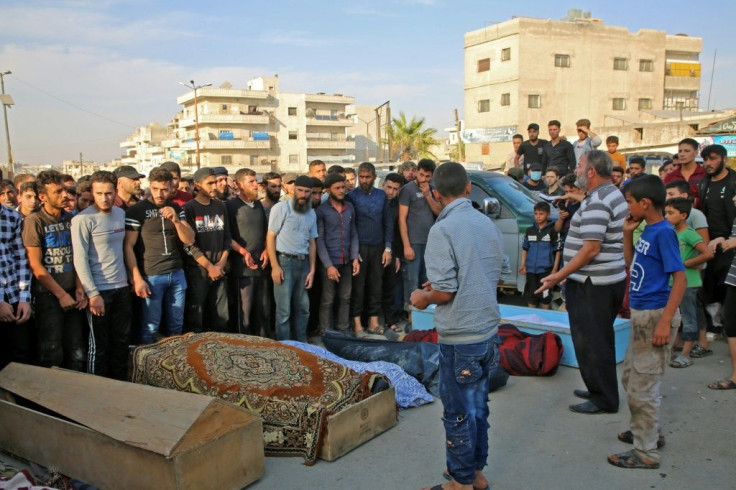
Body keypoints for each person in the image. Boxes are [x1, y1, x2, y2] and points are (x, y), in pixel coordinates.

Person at [410, 162, 503, 490]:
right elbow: (497, 269)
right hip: (488, 333)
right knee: (478, 408)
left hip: (461, 337)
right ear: (468, 189)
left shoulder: (442, 230)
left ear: (435, 193)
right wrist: (440, 281)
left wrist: (423, 296)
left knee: (459, 413)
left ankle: (460, 483)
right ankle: (475, 474)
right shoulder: (486, 223)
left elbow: (445, 293)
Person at [538, 150, 628, 414]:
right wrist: (570, 196)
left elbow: (590, 249)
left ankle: (604, 399)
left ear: (591, 172)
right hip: (604, 281)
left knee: (592, 341)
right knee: (597, 338)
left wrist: (559, 275)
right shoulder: (607, 193)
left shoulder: (599, 202)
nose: (575, 171)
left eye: (579, 166)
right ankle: (597, 386)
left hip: (592, 284)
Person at [607, 175, 686, 470]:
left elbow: (679, 278)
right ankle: (645, 429)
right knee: (632, 377)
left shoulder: (663, 233)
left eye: (629, 202)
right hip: (642, 316)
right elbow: (632, 265)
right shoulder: (648, 231)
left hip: (655, 315)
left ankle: (646, 452)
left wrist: (665, 322)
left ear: (644, 203)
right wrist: (628, 234)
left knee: (644, 385)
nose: (627, 207)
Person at [22, 170, 87, 371]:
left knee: (77, 352)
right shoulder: (35, 221)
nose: (64, 195)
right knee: (51, 351)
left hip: (72, 293)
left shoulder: (71, 219)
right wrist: (60, 295)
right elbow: (35, 264)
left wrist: (79, 289)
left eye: (65, 190)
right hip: (48, 296)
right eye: (57, 192)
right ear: (43, 197)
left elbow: (78, 256)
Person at [71, 171, 131, 380]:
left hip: (122, 287)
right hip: (99, 291)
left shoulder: (121, 214)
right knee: (99, 345)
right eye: (99, 193)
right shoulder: (82, 219)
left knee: (121, 341)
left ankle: (121, 385)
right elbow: (80, 259)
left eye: (108, 193)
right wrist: (92, 293)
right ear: (92, 193)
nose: (104, 198)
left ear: (116, 191)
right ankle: (97, 388)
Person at [124, 168, 194, 344]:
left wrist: (176, 220)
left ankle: (174, 364)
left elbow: (190, 239)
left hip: (177, 273)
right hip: (152, 275)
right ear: (150, 186)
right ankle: (147, 368)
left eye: (163, 189)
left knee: (176, 326)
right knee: (150, 327)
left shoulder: (177, 208)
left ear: (171, 187)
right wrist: (137, 278)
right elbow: (128, 246)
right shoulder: (137, 210)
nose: (159, 194)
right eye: (155, 189)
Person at [267, 175, 317, 341]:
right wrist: (275, 266)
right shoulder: (281, 208)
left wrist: (312, 270)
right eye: (300, 190)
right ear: (294, 189)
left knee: (303, 309)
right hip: (284, 262)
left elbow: (312, 243)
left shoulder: (312, 213)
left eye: (306, 192)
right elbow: (270, 237)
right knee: (284, 311)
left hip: (303, 264)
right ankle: (284, 348)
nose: (303, 194)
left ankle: (301, 346)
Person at [663, 198, 712, 368]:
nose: (666, 216)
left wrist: (686, 264)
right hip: (671, 282)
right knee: (675, 317)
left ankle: (685, 354)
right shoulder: (671, 231)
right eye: (666, 213)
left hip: (688, 283)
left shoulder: (689, 233)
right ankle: (673, 349)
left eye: (671, 213)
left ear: (683, 215)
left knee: (689, 317)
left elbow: (707, 253)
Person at [182, 167, 231, 333]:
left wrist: (221, 263)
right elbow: (189, 245)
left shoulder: (220, 207)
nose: (214, 187)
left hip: (220, 268)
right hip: (199, 270)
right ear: (197, 185)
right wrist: (210, 267)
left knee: (221, 316)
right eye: (209, 183)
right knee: (197, 316)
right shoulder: (189, 209)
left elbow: (227, 237)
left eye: (215, 182)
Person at [347, 162, 393, 336]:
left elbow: (388, 223)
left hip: (378, 247)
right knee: (358, 288)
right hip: (359, 248)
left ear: (374, 177)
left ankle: (374, 323)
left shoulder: (381, 196)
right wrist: (354, 250)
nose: (364, 180)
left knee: (376, 285)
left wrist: (387, 248)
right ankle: (357, 325)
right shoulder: (351, 196)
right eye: (362, 177)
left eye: (368, 177)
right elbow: (350, 225)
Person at [698, 144, 736, 339]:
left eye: (712, 159)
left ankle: (729, 329)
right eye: (705, 160)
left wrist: (731, 238)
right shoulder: (704, 183)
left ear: (724, 159)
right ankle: (716, 327)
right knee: (709, 286)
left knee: (728, 288)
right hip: (709, 244)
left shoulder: (734, 181)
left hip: (731, 244)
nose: (708, 163)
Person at [227, 168, 270, 337]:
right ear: (239, 185)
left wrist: (267, 249)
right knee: (244, 311)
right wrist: (243, 252)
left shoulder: (258, 204)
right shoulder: (230, 206)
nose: (255, 185)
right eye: (251, 182)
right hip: (243, 268)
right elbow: (227, 236)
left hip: (262, 265)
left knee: (263, 309)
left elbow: (266, 231)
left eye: (255, 181)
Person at [316, 173, 359, 334]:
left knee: (345, 298)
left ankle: (344, 330)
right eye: (337, 188)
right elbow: (319, 240)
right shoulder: (322, 211)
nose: (342, 191)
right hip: (329, 263)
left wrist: (354, 257)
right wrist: (328, 266)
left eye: (343, 187)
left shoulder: (350, 208)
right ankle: (326, 332)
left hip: (347, 261)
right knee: (328, 299)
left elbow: (354, 233)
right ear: (328, 190)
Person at [399, 159, 440, 324]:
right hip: (413, 243)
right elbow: (402, 219)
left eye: (427, 176)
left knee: (427, 281)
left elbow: (439, 211)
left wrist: (427, 195)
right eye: (420, 174)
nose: (423, 178)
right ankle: (411, 319)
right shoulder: (407, 190)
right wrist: (406, 245)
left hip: (430, 243)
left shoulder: (433, 189)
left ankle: (425, 319)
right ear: (416, 171)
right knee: (412, 281)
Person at [706, 204, 736, 390]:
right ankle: (735, 376)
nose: (733, 198)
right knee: (732, 325)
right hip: (734, 277)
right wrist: (722, 239)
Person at [520, 202, 561, 310]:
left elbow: (558, 250)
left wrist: (555, 269)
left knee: (545, 296)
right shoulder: (530, 230)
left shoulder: (553, 231)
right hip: (531, 270)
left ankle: (545, 322)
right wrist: (523, 265)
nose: (538, 216)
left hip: (546, 270)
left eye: (541, 214)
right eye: (536, 213)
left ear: (548, 215)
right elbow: (525, 248)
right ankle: (531, 320)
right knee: (532, 296)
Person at [382, 172, 405, 333]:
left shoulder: (399, 206)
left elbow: (398, 233)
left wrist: (396, 255)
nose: (391, 191)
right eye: (389, 187)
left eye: (395, 189)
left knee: (390, 287)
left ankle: (391, 320)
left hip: (392, 251)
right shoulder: (376, 200)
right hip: (373, 249)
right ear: (383, 185)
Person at [664, 139, 706, 208]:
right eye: (680, 151)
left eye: (687, 151)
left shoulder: (705, 174)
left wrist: (694, 201)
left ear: (696, 153)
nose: (682, 154)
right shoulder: (670, 177)